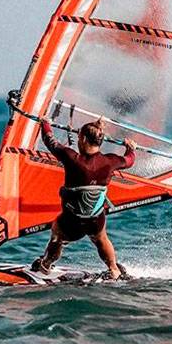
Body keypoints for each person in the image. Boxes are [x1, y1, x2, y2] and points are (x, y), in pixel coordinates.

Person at [32, 116, 136, 280]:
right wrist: (130, 148)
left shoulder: (72, 158)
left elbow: (49, 141)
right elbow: (129, 161)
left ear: (84, 139)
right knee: (101, 238)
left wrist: (45, 123)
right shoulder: (110, 161)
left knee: (57, 235)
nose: (78, 140)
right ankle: (114, 269)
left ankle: (45, 265)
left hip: (71, 220)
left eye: (79, 137)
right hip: (95, 219)